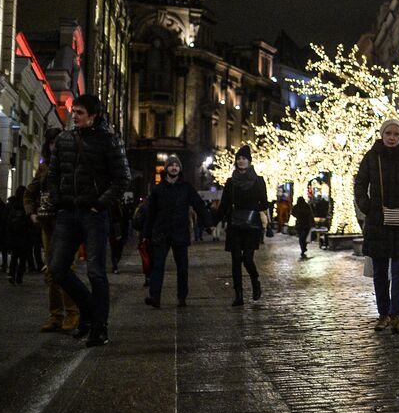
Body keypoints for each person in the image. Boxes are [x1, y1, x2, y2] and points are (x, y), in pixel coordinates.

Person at [48, 93, 130, 347]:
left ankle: (99, 328)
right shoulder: (64, 139)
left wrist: (99, 204)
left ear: (93, 117)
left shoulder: (109, 141)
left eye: (80, 113)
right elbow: (53, 173)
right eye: (74, 112)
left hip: (93, 215)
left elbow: (122, 178)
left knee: (96, 272)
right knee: (58, 269)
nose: (74, 116)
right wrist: (57, 198)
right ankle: (90, 313)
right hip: (67, 213)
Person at [354, 119, 399, 333]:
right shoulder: (372, 156)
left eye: (396, 134)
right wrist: (367, 206)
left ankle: (396, 314)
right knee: (379, 271)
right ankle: (383, 314)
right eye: (388, 133)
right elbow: (360, 184)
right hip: (378, 221)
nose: (392, 137)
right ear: (382, 135)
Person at [142, 154, 211, 308]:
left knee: (182, 268)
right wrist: (146, 234)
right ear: (166, 168)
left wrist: (208, 223)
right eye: (171, 165)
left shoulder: (186, 188)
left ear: (180, 169)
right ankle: (155, 296)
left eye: (177, 165)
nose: (174, 167)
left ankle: (182, 297)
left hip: (180, 232)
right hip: (161, 232)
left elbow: (199, 205)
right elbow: (151, 213)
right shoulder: (158, 189)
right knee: (157, 266)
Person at [28, 131, 80, 332]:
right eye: (51, 144)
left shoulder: (74, 165)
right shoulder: (44, 168)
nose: (54, 147)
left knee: (66, 269)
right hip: (48, 225)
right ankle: (55, 315)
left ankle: (73, 312)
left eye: (58, 143)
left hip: (68, 224)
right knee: (52, 271)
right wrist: (31, 212)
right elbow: (29, 193)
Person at [219, 145, 269, 306]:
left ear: (249, 161)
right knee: (235, 259)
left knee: (247, 259)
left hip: (252, 224)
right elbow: (224, 205)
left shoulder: (258, 181)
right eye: (239, 159)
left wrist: (257, 208)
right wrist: (211, 222)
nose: (241, 161)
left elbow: (264, 202)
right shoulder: (230, 182)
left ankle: (255, 281)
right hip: (234, 224)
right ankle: (238, 294)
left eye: (244, 159)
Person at [6, 186, 37, 285]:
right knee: (23, 258)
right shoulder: (27, 206)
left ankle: (11, 274)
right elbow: (31, 221)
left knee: (14, 257)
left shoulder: (11, 204)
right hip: (25, 235)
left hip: (14, 235)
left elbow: (7, 220)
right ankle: (19, 276)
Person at [292, 195, 314, 259]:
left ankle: (303, 248)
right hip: (306, 224)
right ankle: (304, 247)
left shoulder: (296, 206)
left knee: (301, 237)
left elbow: (293, 213)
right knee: (304, 237)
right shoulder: (306, 206)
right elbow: (310, 214)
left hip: (300, 224)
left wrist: (297, 216)